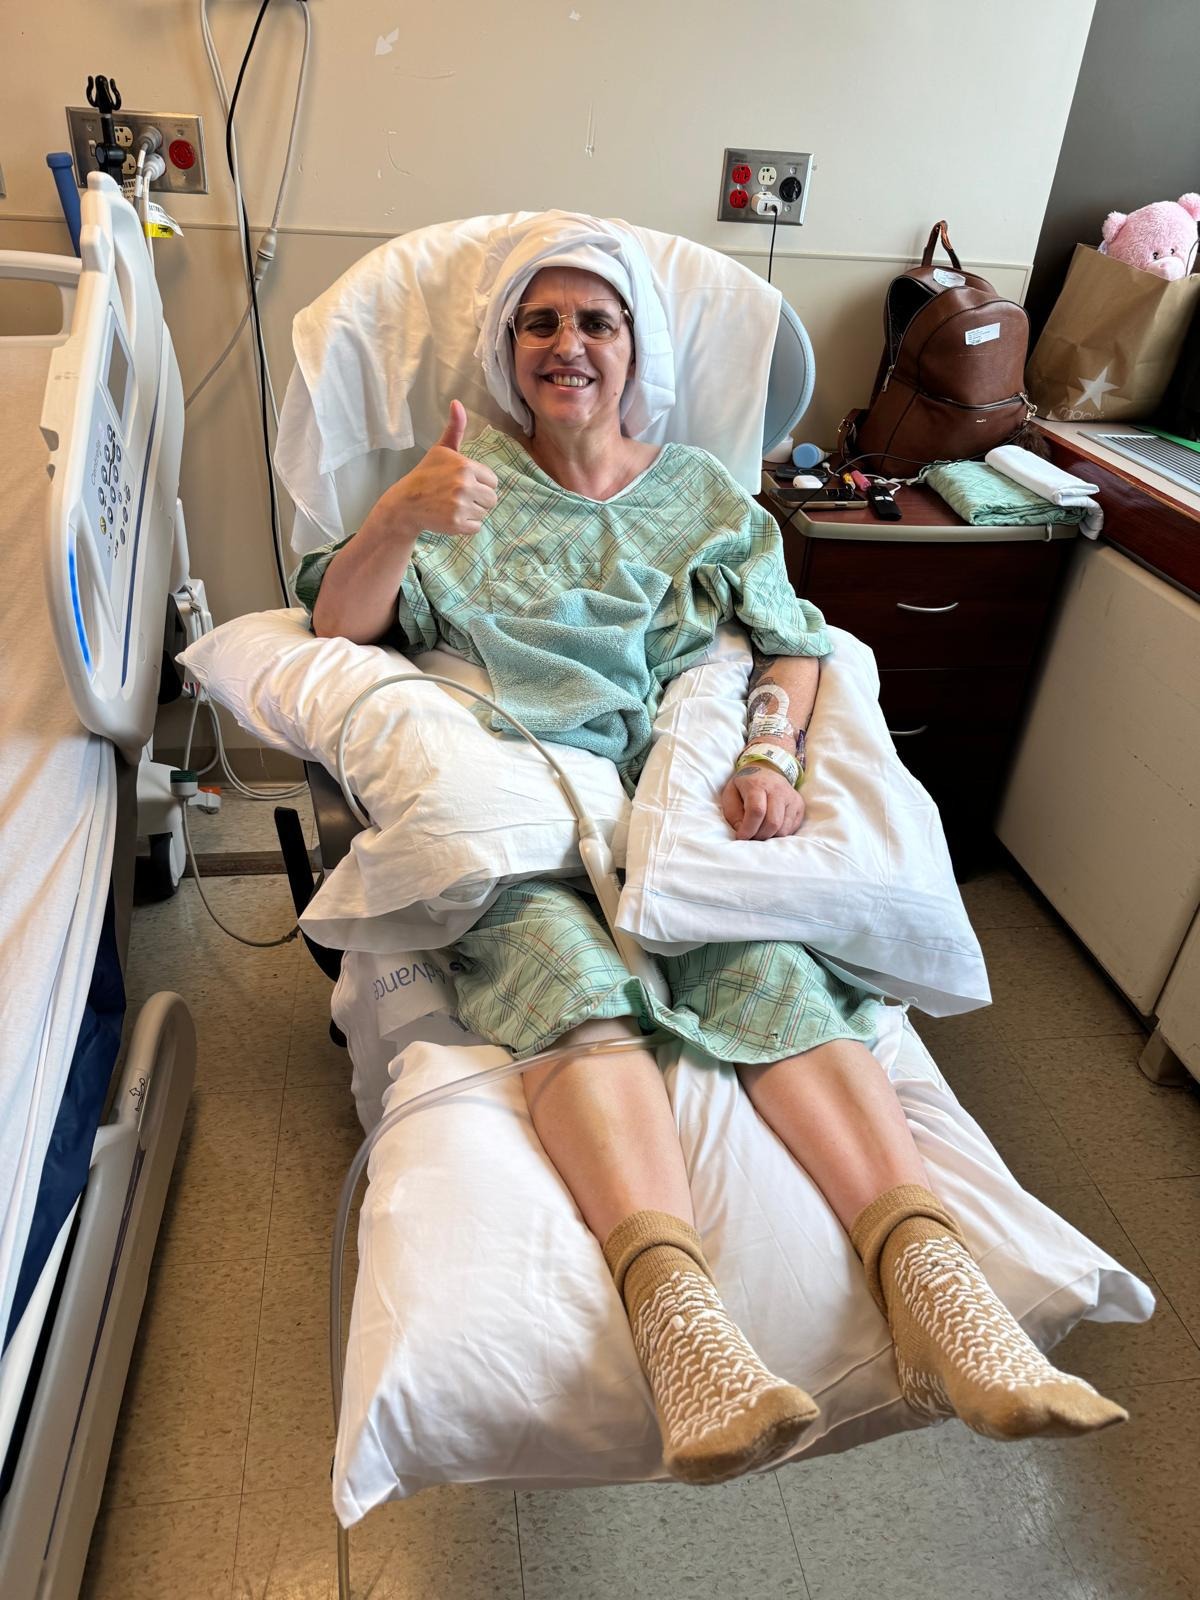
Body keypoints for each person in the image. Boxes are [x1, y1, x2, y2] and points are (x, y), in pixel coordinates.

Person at [296, 256, 1126, 1486]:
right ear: (507, 354)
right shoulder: (457, 486)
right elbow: (338, 625)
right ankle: (683, 1332)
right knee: (569, 980)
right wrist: (398, 519)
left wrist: (768, 748)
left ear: (638, 351)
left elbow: (792, 640)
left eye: (596, 321)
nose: (568, 343)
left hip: (671, 786)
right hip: (527, 787)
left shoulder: (702, 494)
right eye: (540, 323)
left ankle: (937, 1291)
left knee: (771, 966)